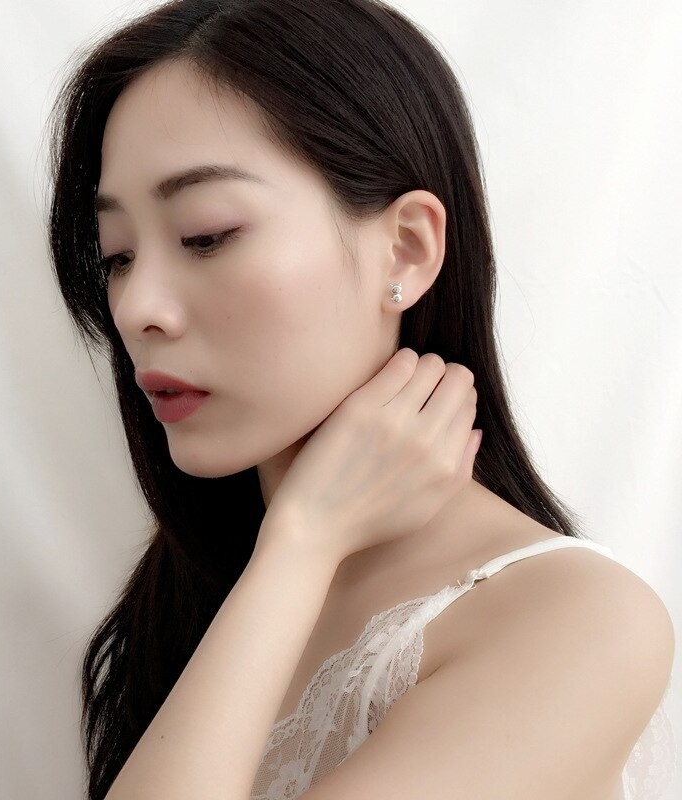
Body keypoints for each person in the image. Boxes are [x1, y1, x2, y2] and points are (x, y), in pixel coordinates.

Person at [43, 2, 675, 798]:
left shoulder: (577, 621)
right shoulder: (190, 595)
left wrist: (302, 541)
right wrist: (293, 552)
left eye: (205, 235)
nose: (137, 309)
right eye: (118, 256)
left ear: (406, 249)